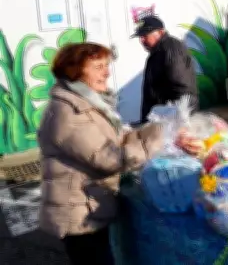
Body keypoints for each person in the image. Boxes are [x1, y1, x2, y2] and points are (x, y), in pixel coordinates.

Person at [37, 43, 201, 265]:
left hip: (89, 205)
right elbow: (110, 159)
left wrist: (165, 131)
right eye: (98, 67)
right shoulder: (68, 114)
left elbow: (119, 137)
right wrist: (160, 136)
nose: (106, 73)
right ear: (74, 71)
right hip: (78, 214)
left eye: (106, 65)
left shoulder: (88, 103)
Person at [135, 15, 198, 124]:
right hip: (163, 118)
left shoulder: (171, 48)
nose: (141, 40)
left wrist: (178, 120)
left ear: (160, 32)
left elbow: (182, 88)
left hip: (173, 119)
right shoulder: (157, 52)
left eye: (145, 35)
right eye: (140, 36)